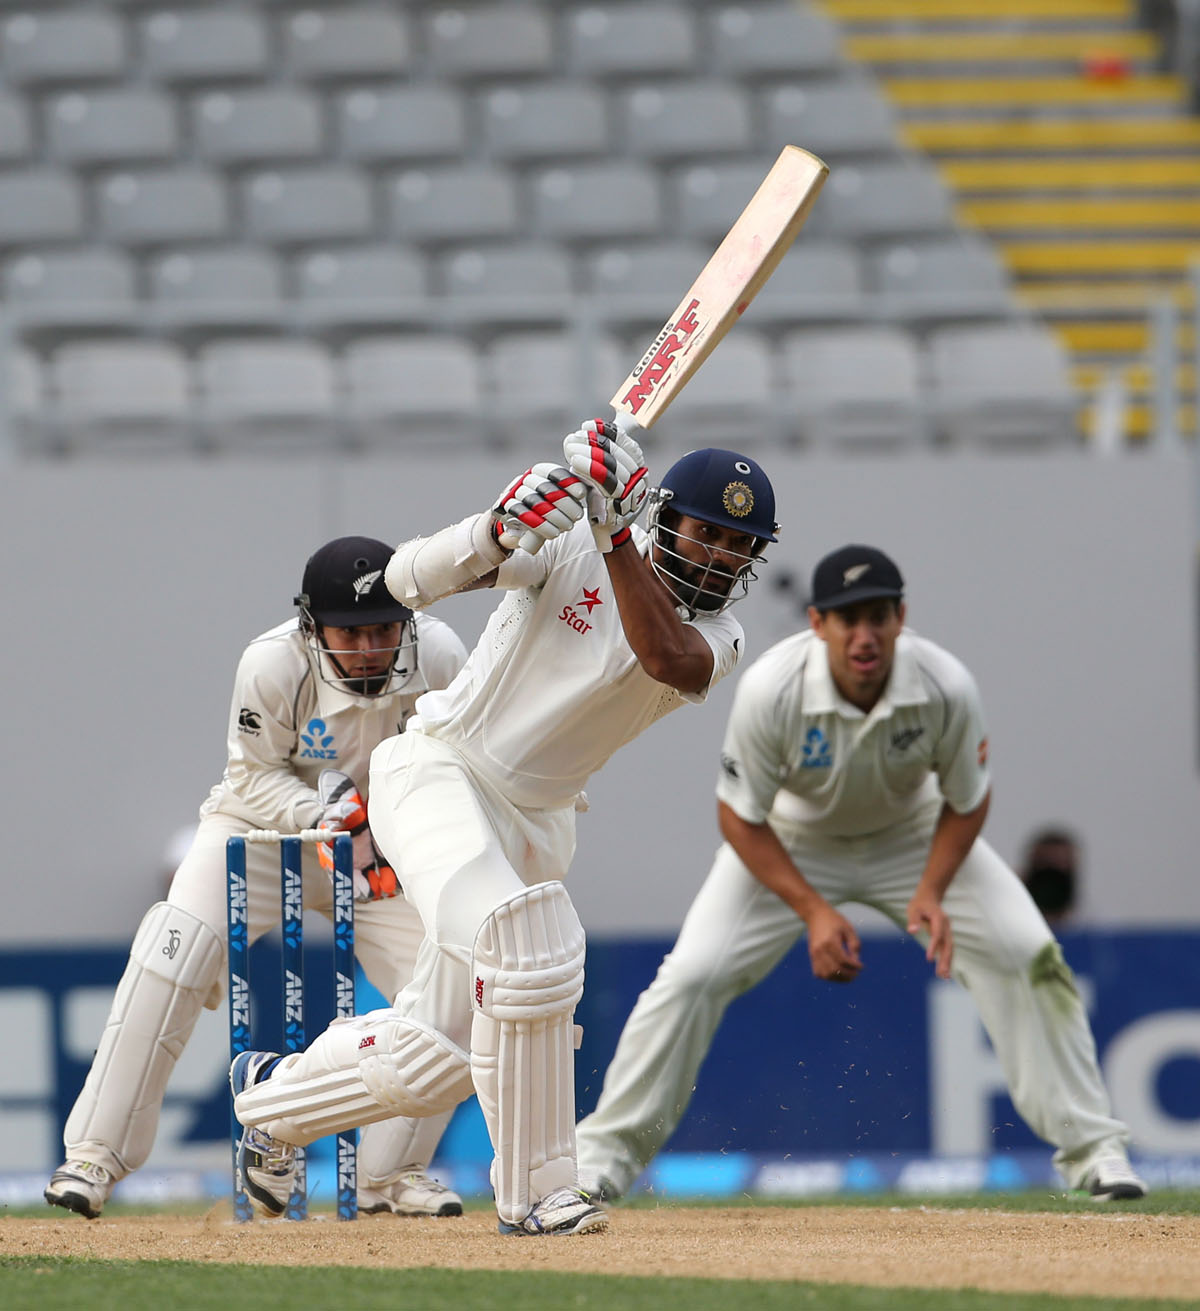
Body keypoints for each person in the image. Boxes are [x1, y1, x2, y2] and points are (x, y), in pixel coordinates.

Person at [227, 421, 780, 1236]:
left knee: (436, 1053)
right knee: (531, 942)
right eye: (709, 532)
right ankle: (537, 1192)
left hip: (541, 817)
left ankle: (271, 1101)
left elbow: (664, 657)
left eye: (742, 544)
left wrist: (615, 527)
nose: (722, 556)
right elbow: (403, 582)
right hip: (440, 773)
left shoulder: (720, 634)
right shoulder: (574, 548)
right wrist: (498, 526)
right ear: (668, 517)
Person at [574, 544, 1147, 1204]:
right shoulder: (773, 687)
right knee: (692, 975)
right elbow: (739, 818)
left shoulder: (944, 684)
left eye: (878, 616)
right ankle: (603, 1162)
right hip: (788, 841)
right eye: (848, 619)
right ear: (817, 624)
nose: (865, 635)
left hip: (914, 836)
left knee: (1030, 954)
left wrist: (931, 888)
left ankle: (1096, 1153)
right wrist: (815, 910)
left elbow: (968, 799)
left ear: (901, 617)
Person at [45, 536, 470, 1221]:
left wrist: (384, 831)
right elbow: (252, 774)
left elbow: (458, 767)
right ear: (312, 627)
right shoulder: (274, 663)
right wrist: (320, 807)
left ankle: (390, 1173)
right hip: (261, 830)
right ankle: (96, 1152)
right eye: (350, 632)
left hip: (378, 843)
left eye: (385, 630)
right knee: (172, 948)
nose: (369, 648)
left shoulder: (443, 657)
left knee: (458, 982)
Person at [1020, 827, 1081, 926]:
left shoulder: (1094, 929)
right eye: (1043, 863)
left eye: (1060, 864)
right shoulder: (1005, 920)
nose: (1051, 875)